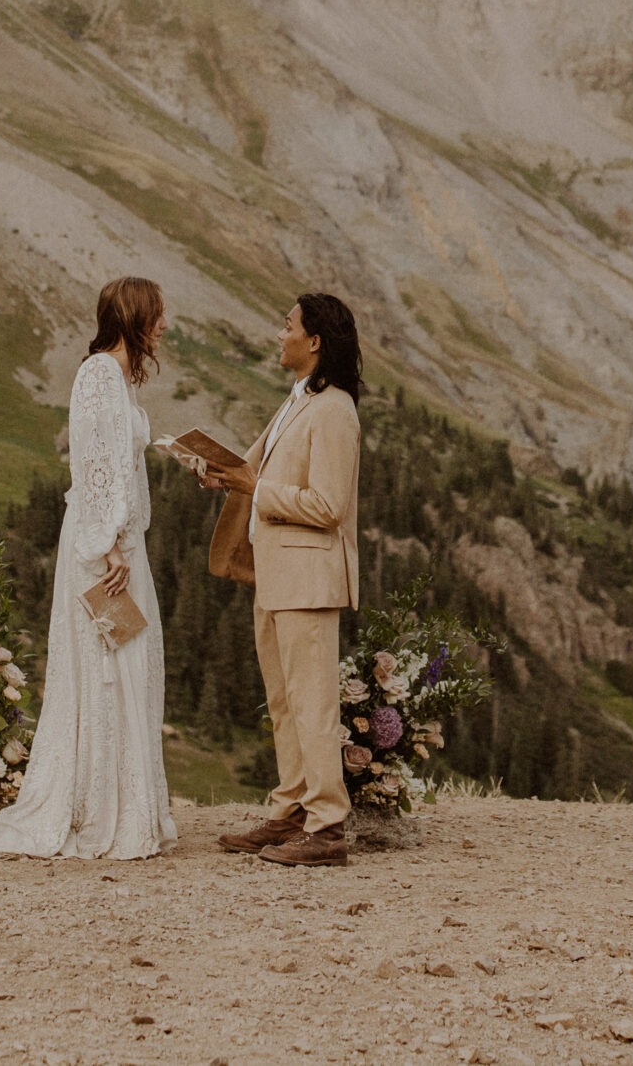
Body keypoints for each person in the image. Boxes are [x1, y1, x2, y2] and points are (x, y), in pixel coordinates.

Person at [0, 277, 178, 859]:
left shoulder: (119, 379)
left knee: (129, 667)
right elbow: (92, 462)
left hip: (122, 543)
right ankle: (94, 810)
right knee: (105, 668)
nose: (165, 326)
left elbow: (120, 459)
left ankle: (128, 803)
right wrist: (107, 546)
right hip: (104, 548)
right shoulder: (97, 374)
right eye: (158, 315)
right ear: (135, 316)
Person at [204, 292, 364, 867]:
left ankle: (327, 826)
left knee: (313, 701)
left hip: (308, 577)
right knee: (283, 700)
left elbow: (328, 505)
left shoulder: (335, 410)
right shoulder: (298, 401)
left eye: (287, 325)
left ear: (314, 341)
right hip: (277, 574)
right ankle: (290, 808)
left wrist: (254, 491)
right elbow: (255, 469)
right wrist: (218, 471)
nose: (279, 335)